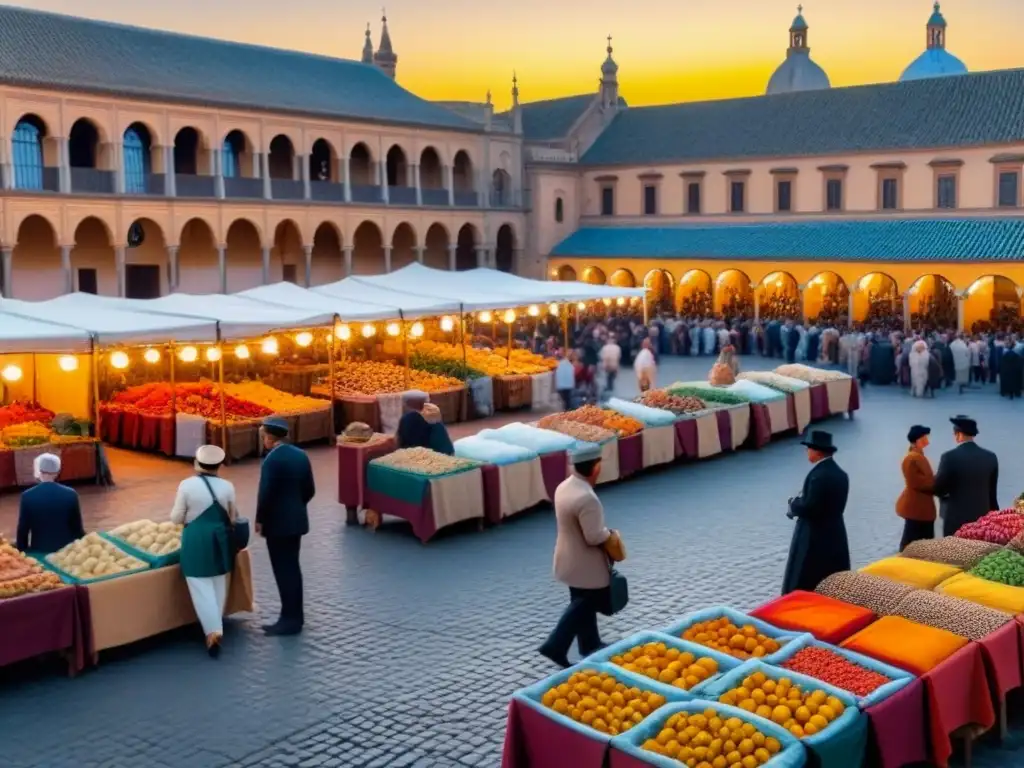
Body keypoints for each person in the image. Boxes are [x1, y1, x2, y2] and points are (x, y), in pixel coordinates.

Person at [539, 444, 624, 668]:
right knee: (586, 602)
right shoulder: (588, 498)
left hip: (566, 557)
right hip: (585, 562)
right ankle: (555, 644)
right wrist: (611, 534)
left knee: (580, 598)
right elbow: (594, 536)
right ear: (595, 467)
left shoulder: (563, 487)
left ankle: (590, 643)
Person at [172, 445, 238, 658]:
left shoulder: (187, 485)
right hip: (220, 538)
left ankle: (213, 631)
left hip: (196, 539)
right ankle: (215, 625)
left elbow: (176, 518)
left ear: (197, 463)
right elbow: (234, 516)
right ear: (219, 465)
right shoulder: (228, 486)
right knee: (218, 581)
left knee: (200, 585)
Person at [256, 416, 315, 636]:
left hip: (277, 525)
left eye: (264, 436)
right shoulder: (301, 455)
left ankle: (289, 620)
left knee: (283, 571)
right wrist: (297, 507)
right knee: (293, 568)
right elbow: (309, 489)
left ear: (270, 437)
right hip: (297, 521)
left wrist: (260, 519)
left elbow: (266, 493)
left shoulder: (272, 460)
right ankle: (295, 616)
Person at [781, 431, 850, 594]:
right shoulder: (841, 474)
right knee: (831, 573)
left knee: (805, 575)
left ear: (817, 451)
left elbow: (811, 507)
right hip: (836, 531)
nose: (807, 452)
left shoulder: (818, 476)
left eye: (808, 449)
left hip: (813, 535)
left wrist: (793, 504)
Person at [932, 415, 999, 537]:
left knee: (955, 552)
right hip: (982, 519)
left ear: (959, 434)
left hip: (956, 519)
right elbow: (992, 494)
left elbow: (938, 489)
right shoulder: (991, 457)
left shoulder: (949, 457)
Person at [15, 453, 84, 554]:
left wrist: (23, 552)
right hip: (66, 553)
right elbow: (77, 529)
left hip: (39, 550)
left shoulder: (27, 496)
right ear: (57, 472)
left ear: (40, 470)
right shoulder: (71, 494)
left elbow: (22, 531)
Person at [896, 425, 936, 551]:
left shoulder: (917, 456)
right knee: (911, 540)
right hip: (917, 508)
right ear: (918, 439)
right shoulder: (912, 458)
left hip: (920, 507)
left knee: (916, 538)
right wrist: (939, 483)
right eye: (925, 437)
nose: (927, 441)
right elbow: (918, 483)